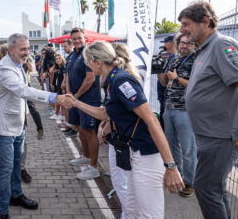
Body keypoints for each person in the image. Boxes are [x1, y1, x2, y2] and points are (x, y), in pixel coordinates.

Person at [64, 41, 184, 217]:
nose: (87, 66)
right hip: (132, 152)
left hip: (146, 154)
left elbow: (151, 120)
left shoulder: (121, 80)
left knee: (149, 214)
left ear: (98, 62)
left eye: (88, 62)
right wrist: (76, 103)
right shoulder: (111, 80)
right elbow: (106, 114)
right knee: (131, 208)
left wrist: (171, 166)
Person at [179, 1, 238, 219]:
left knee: (206, 188)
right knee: (214, 188)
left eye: (186, 24)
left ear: (205, 21)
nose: (182, 30)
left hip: (222, 136)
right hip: (209, 135)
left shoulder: (222, 45)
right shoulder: (204, 49)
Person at [0, 33, 67, 219]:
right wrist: (53, 97)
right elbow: (23, 91)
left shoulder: (19, 64)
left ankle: (16, 195)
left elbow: (18, 96)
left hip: (18, 123)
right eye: (23, 49)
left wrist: (25, 115)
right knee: (6, 168)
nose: (27, 52)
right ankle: (3, 211)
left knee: (17, 163)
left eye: (27, 48)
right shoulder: (4, 69)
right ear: (11, 49)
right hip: (5, 126)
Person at [158, 33, 197, 198]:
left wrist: (177, 78)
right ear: (177, 43)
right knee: (172, 146)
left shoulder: (196, 60)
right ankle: (177, 176)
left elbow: (197, 85)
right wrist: (159, 69)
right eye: (182, 42)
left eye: (189, 43)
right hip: (169, 109)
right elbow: (165, 83)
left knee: (188, 148)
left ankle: (190, 182)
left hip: (185, 111)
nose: (185, 45)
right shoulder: (173, 59)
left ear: (194, 45)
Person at [66, 28, 101, 180]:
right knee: (79, 128)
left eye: (79, 38)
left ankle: (94, 167)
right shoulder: (73, 54)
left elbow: (90, 78)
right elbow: (67, 75)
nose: (77, 41)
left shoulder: (89, 53)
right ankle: (86, 156)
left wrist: (77, 96)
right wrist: (69, 94)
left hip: (88, 99)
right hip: (74, 98)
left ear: (84, 38)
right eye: (74, 39)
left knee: (89, 131)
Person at [157, 35, 175, 130]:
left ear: (171, 43)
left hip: (169, 99)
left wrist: (159, 68)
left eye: (165, 42)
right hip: (163, 97)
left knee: (166, 128)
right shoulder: (167, 57)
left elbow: (165, 82)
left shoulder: (173, 58)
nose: (164, 45)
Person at [59, 38, 74, 134]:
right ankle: (70, 126)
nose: (64, 48)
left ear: (71, 45)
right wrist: (64, 82)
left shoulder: (74, 56)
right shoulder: (69, 57)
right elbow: (67, 73)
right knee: (69, 109)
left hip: (73, 88)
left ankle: (73, 128)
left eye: (65, 46)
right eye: (63, 46)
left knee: (72, 109)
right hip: (68, 86)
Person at [49, 54, 66, 121]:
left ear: (62, 59)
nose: (58, 60)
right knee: (58, 101)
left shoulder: (63, 67)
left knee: (60, 102)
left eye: (59, 58)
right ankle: (58, 114)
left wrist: (64, 87)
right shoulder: (58, 67)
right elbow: (50, 71)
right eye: (56, 59)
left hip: (62, 87)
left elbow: (65, 77)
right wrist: (55, 64)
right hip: (58, 86)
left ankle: (61, 115)